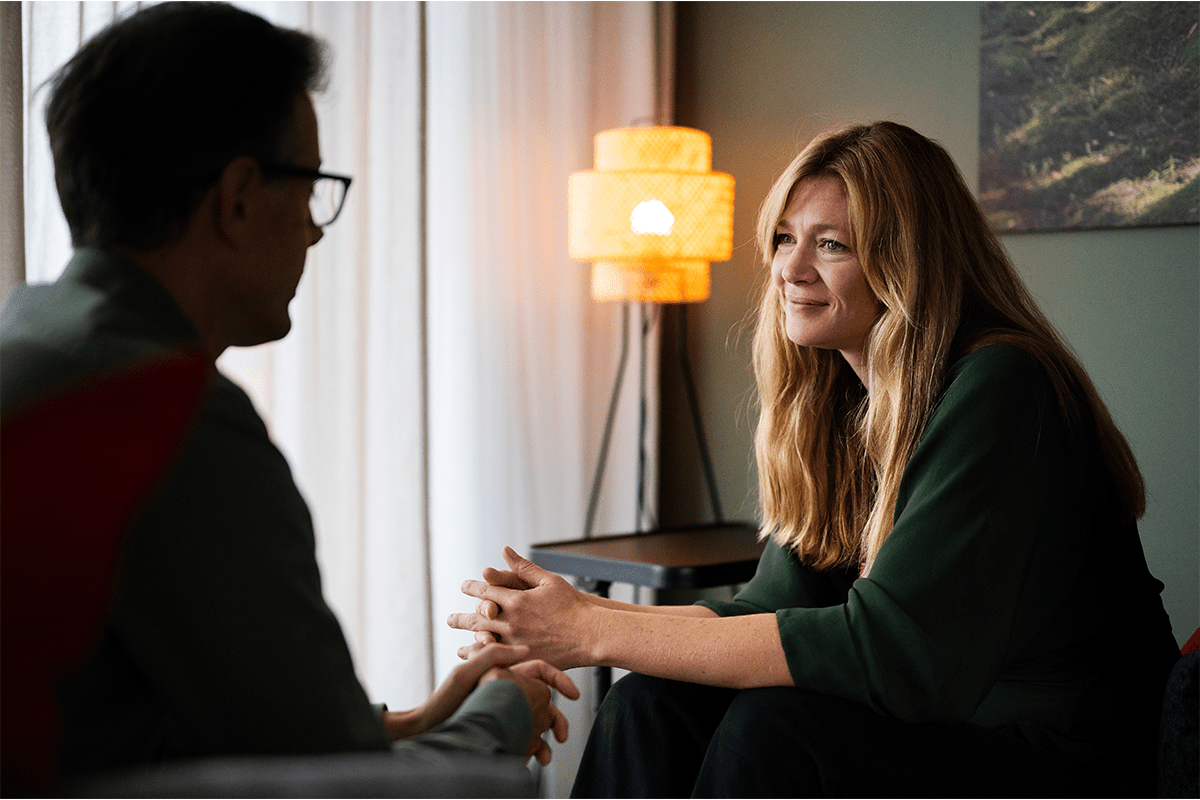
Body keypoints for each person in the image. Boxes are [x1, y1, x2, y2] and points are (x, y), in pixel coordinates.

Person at [448, 121, 1180, 797]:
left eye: (831, 244)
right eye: (783, 238)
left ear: (908, 261)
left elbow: (895, 655)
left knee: (776, 731)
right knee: (652, 701)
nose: (789, 269)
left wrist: (592, 629)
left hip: (1064, 757)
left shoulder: (1002, 386)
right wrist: (569, 617)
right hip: (946, 732)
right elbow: (772, 611)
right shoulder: (840, 404)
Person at [0, 2, 576, 793]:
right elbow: (333, 783)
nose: (314, 231)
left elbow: (133, 713)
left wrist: (413, 719)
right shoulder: (169, 415)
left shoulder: (32, 345)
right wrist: (509, 707)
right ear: (238, 199)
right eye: (311, 188)